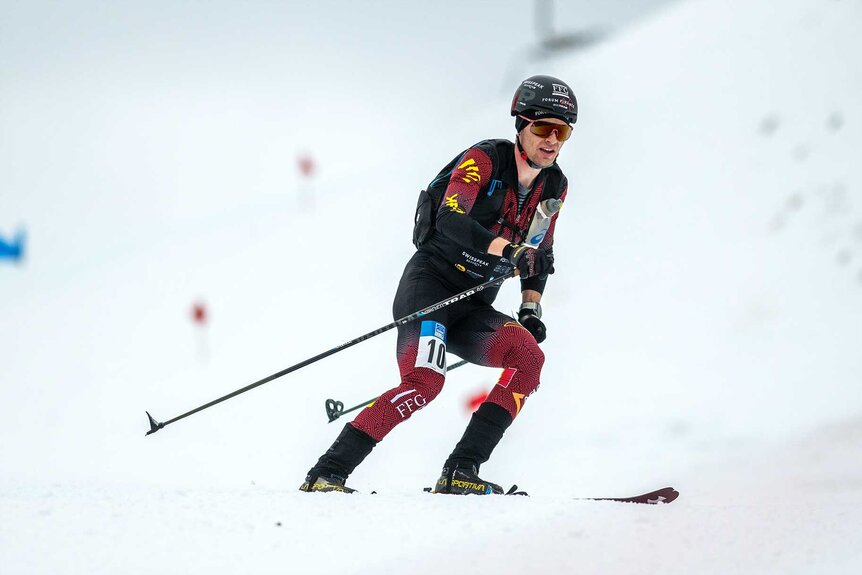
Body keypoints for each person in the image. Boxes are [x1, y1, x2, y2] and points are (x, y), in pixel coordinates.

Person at [300, 75, 577, 494]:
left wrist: (529, 308)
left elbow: (541, 254)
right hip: (431, 288)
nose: (552, 140)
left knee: (529, 358)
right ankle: (327, 472)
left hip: (473, 304)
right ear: (520, 125)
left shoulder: (554, 185)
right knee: (425, 382)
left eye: (563, 131)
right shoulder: (484, 159)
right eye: (543, 128)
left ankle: (460, 471)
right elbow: (450, 217)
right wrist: (507, 250)